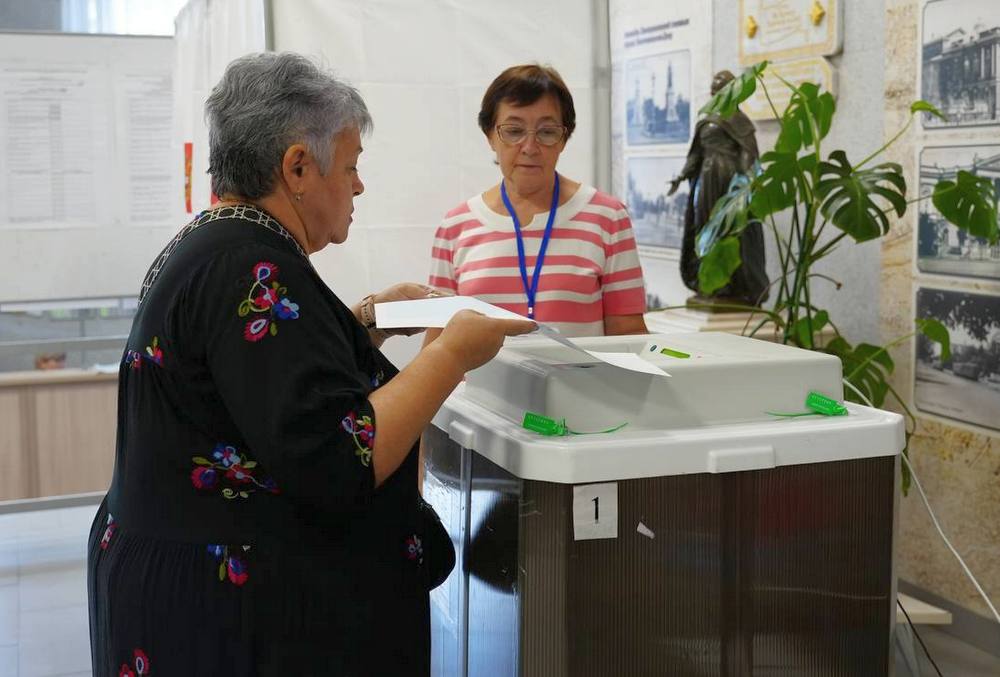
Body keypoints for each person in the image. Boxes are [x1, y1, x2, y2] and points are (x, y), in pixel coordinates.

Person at [86, 52, 534, 677]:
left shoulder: (217, 240)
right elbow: (341, 459)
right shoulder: (251, 265)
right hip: (232, 610)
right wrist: (450, 354)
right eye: (350, 167)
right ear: (297, 167)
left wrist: (364, 323)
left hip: (181, 579)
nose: (358, 186)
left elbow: (261, 379)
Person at [427, 64, 648, 337]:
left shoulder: (608, 217)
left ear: (563, 138)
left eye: (546, 132)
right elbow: (437, 339)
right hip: (481, 369)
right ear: (490, 136)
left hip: (579, 369)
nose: (530, 148)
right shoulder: (456, 226)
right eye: (513, 131)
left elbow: (628, 336)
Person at [669, 70, 769, 307]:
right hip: (705, 180)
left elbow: (748, 154)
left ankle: (732, 286)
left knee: (729, 230)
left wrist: (746, 184)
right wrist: (681, 176)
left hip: (729, 181)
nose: (716, 95)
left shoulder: (741, 121)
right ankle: (710, 283)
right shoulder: (706, 120)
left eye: (720, 90)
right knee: (705, 228)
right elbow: (696, 154)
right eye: (713, 91)